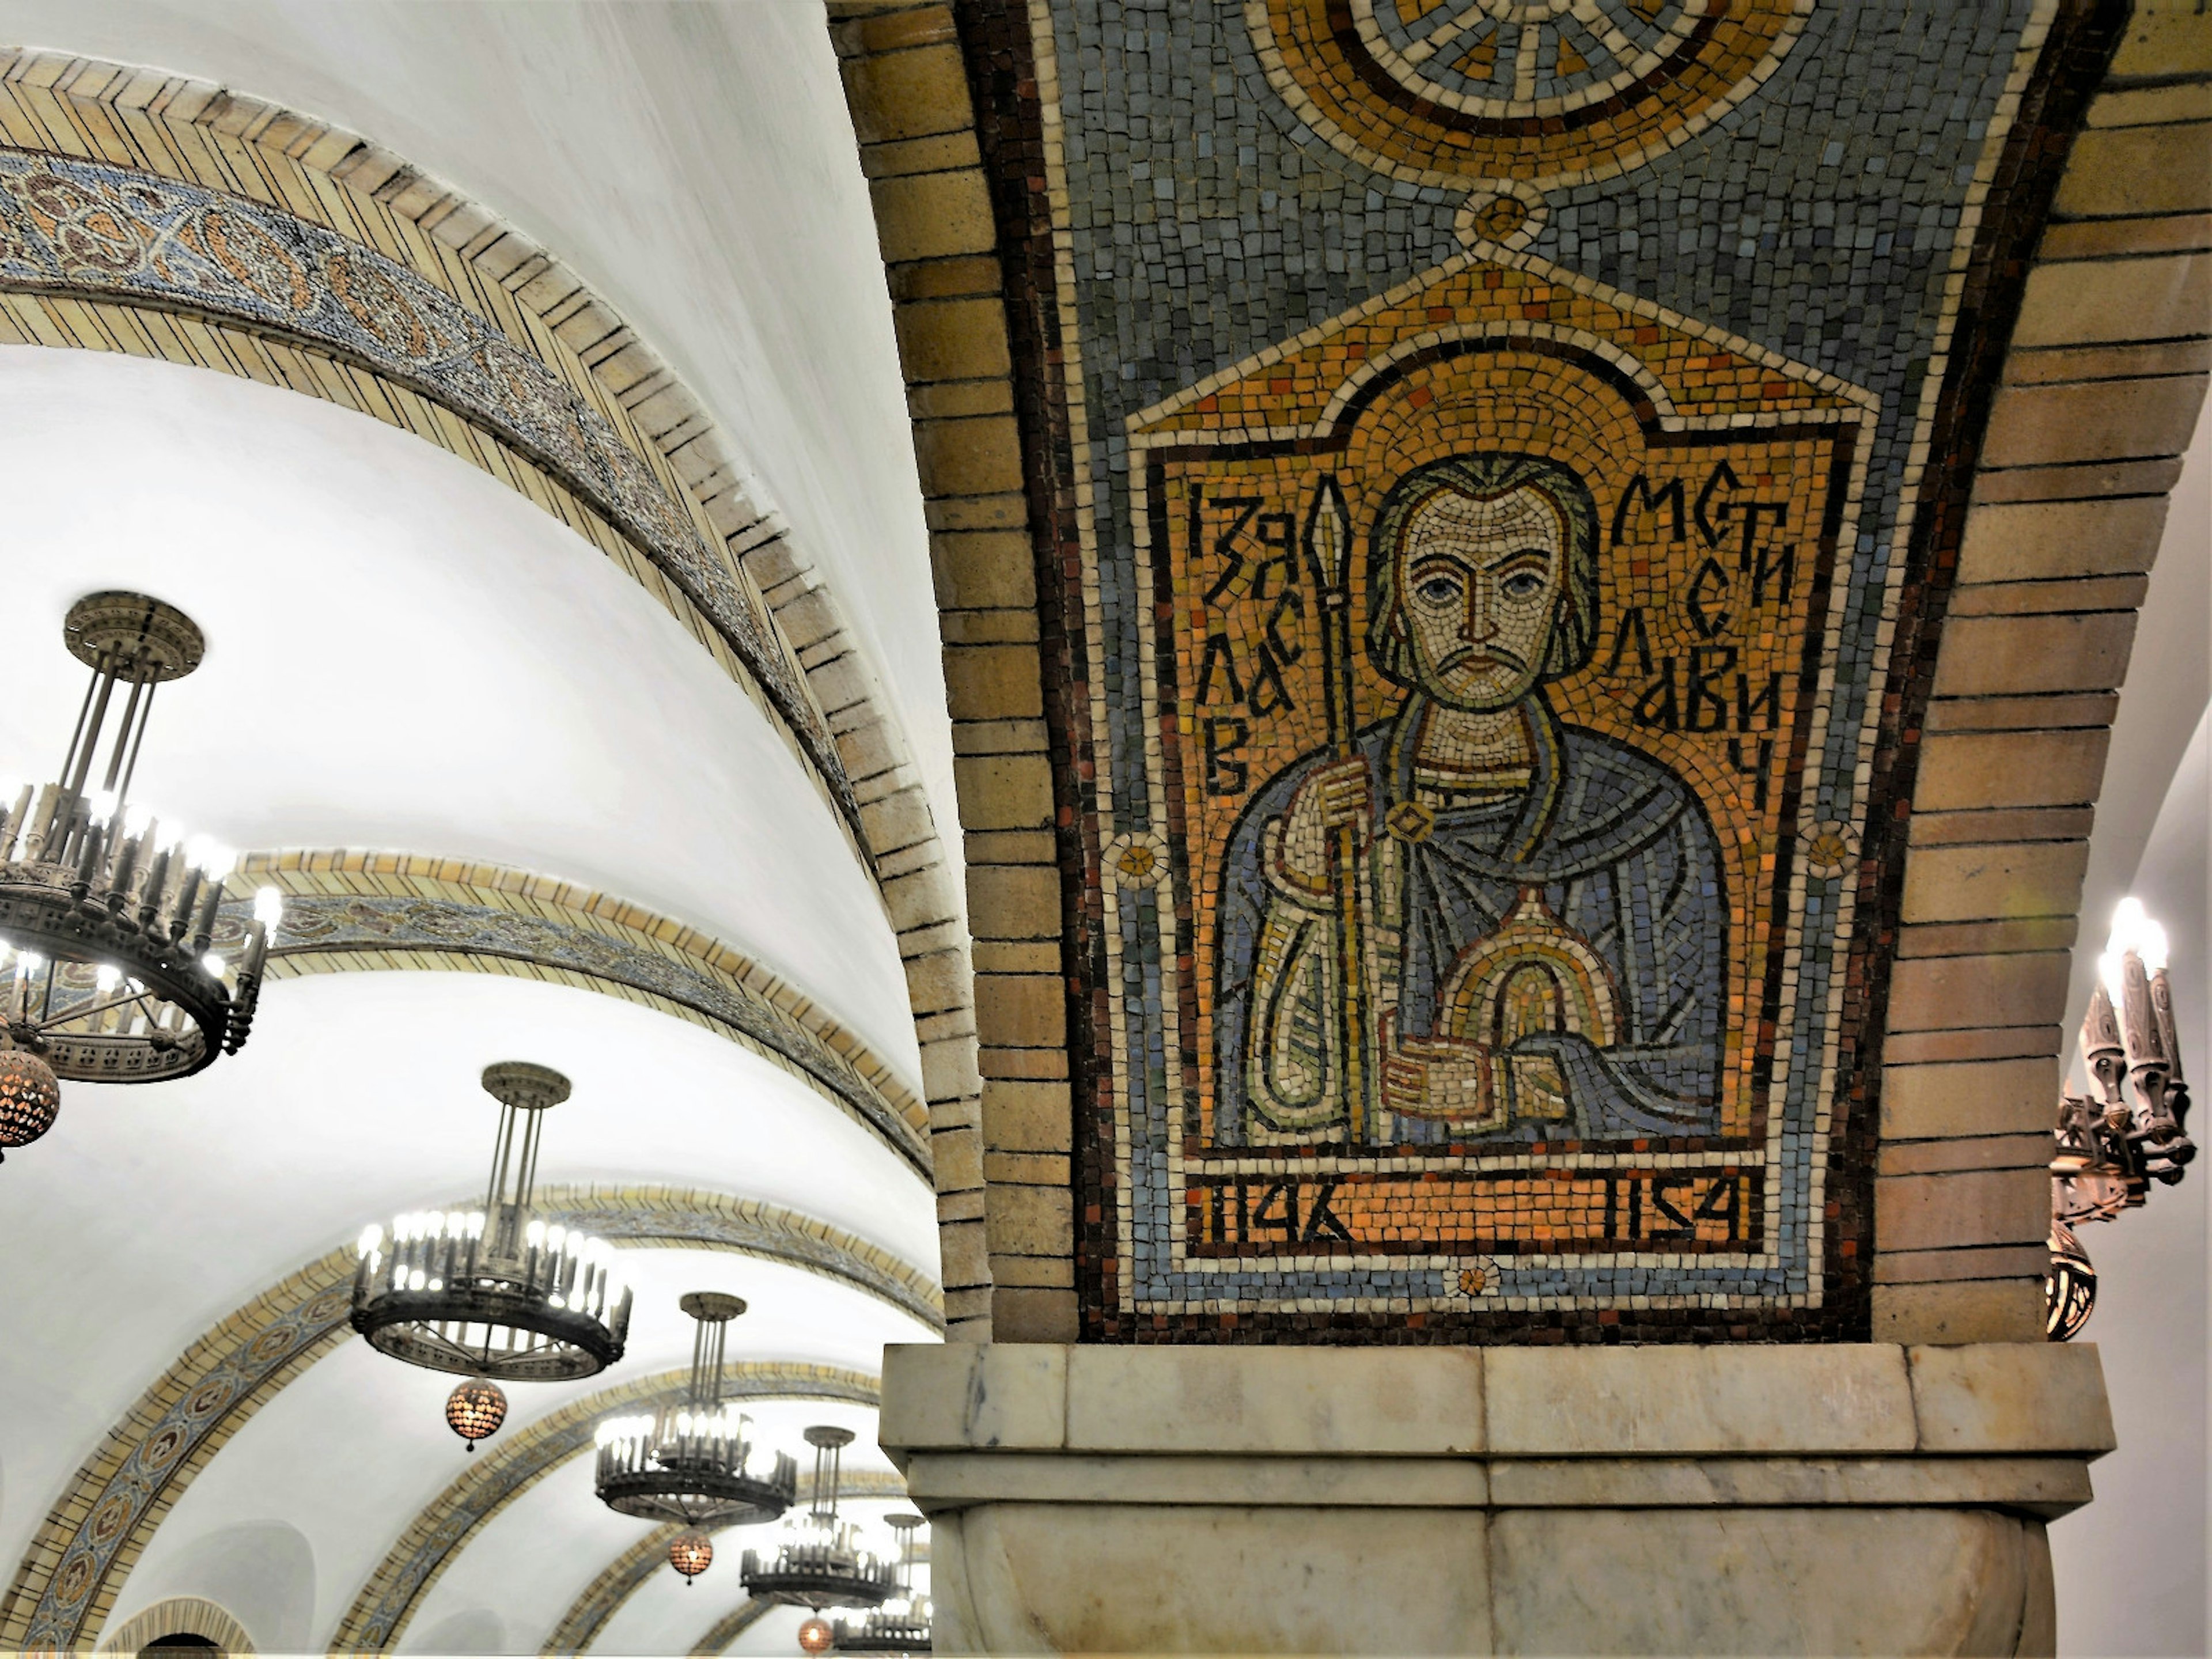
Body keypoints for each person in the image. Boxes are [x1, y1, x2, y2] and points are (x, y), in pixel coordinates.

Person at [1214, 452, 1726, 1146]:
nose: (1478, 624)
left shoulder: (1648, 818)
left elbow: (1702, 1080)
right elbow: (1271, 1110)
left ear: (1567, 604)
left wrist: (1516, 1086)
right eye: (1438, 589)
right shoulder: (1308, 813)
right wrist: (1307, 897)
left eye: (1519, 583)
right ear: (1394, 613)